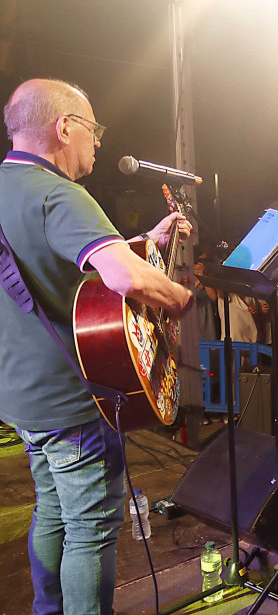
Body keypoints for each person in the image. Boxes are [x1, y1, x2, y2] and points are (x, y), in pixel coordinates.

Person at [0, 79, 193, 615]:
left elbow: (50, 258)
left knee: (52, 509)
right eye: (93, 128)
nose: (99, 141)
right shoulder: (58, 194)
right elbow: (126, 278)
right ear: (64, 128)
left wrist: (146, 242)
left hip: (22, 397)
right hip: (73, 399)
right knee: (90, 526)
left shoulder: (8, 186)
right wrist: (179, 297)